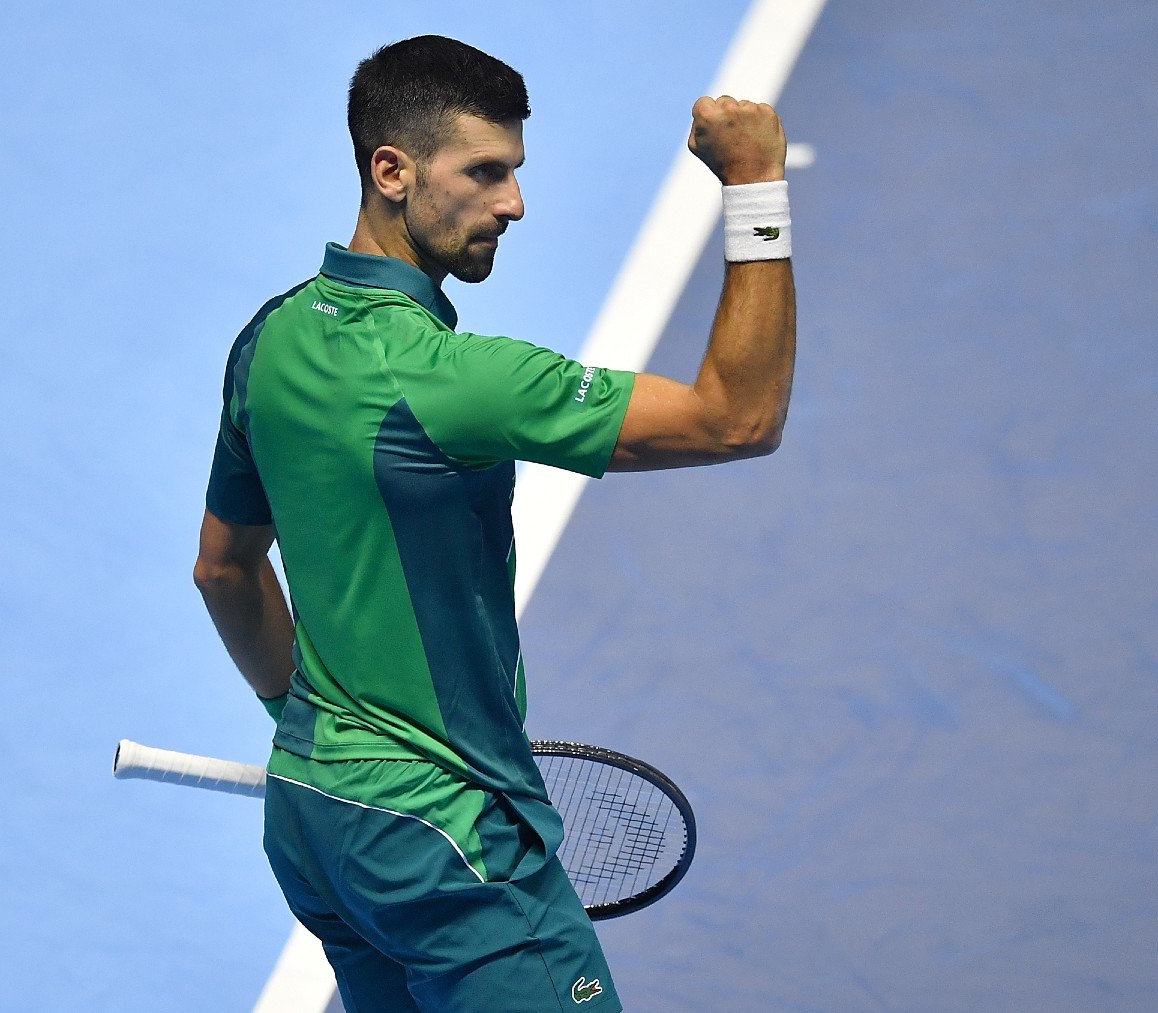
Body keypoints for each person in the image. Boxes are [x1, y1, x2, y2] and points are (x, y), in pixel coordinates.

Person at [193, 34, 795, 1013]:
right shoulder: (458, 381)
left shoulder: (271, 339)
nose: (513, 204)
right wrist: (757, 186)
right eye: (485, 173)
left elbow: (224, 570)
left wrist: (311, 732)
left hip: (316, 823)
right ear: (391, 171)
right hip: (450, 844)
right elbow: (739, 414)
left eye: (514, 173)